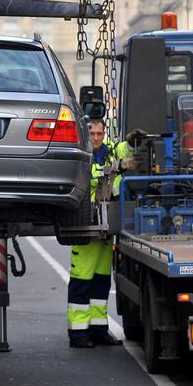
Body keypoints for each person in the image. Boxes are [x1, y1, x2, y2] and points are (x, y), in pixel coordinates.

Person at [67, 119, 134, 348]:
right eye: (92, 133)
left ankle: (98, 330)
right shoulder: (81, 152)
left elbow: (124, 149)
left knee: (101, 283)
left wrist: (133, 142)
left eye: (99, 133)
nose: (96, 138)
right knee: (82, 283)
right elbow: (91, 175)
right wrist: (118, 166)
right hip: (85, 227)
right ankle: (77, 333)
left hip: (105, 229)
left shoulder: (109, 149)